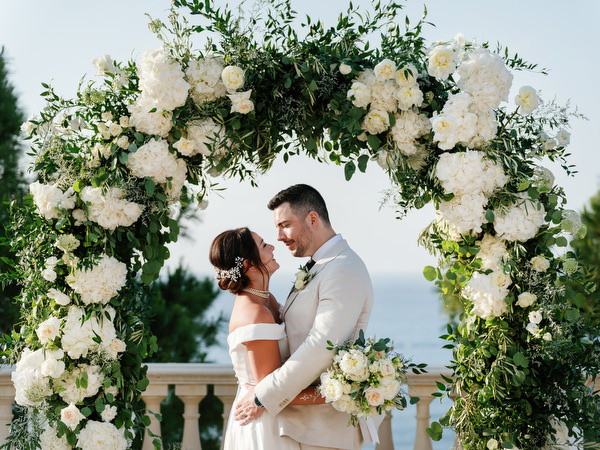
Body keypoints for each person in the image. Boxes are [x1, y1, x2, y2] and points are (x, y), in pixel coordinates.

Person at [234, 184, 375, 450]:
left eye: (285, 225)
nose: (279, 236)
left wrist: (262, 395)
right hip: (302, 428)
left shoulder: (343, 268)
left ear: (312, 219)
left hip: (325, 432)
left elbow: (321, 345)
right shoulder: (322, 266)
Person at [209, 226, 325, 450]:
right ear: (248, 265)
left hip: (272, 416)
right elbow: (270, 392)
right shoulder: (255, 314)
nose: (272, 247)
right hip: (263, 427)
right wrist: (332, 394)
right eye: (263, 246)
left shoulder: (265, 299)